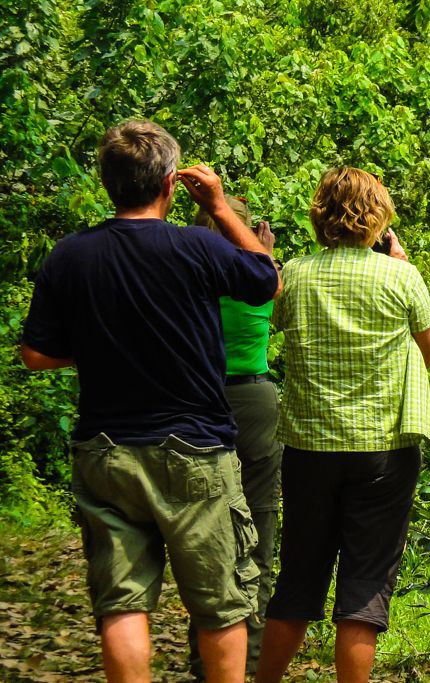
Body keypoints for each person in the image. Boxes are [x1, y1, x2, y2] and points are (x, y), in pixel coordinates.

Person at [19, 120, 280, 683]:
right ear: (169, 184)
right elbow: (265, 279)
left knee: (123, 605)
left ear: (108, 183)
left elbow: (36, 354)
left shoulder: (71, 256)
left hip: (106, 451)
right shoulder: (198, 245)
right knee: (220, 604)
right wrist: (220, 205)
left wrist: (99, 347)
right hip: (196, 452)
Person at [255, 168, 430, 683]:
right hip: (384, 450)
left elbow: (277, 323)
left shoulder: (294, 272)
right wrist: (399, 267)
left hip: (309, 448)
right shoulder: (402, 276)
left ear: (321, 216)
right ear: (379, 220)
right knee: (363, 588)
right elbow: (427, 350)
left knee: (298, 579)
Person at [186, 197, 284, 680]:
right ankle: (249, 658)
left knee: (202, 532)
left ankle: (204, 656)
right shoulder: (260, 276)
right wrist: (262, 252)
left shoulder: (191, 276)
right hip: (255, 401)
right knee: (260, 529)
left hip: (199, 403)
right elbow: (274, 284)